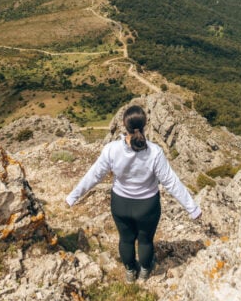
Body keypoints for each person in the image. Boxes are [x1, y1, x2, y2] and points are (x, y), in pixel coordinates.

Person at [66, 105, 202, 283]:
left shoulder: (111, 150)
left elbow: (94, 176)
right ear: (145, 124)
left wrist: (73, 196)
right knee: (145, 241)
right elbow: (171, 182)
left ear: (124, 124)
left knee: (126, 239)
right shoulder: (154, 152)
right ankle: (145, 272)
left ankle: (130, 272)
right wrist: (192, 208)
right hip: (147, 206)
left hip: (120, 204)